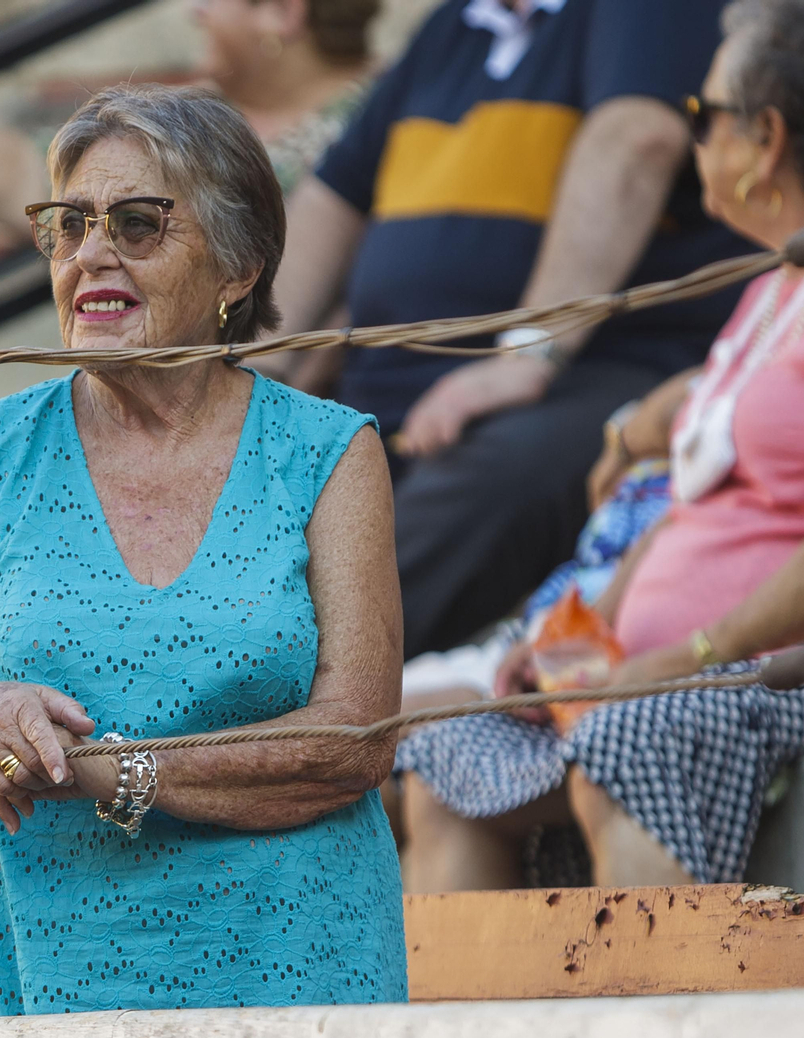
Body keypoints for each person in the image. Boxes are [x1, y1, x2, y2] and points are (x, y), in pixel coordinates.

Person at [0, 84, 406, 1017]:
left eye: (137, 224)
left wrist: (111, 769)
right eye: (68, 226)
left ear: (237, 270)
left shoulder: (327, 451)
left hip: (290, 982)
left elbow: (355, 741)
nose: (90, 254)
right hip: (28, 991)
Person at [396, 0, 804, 892]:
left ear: (766, 140)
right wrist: (580, 639)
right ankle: (487, 1001)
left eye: (703, 114)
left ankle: (656, 987)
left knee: (625, 737)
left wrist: (687, 657)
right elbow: (696, 511)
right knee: (444, 759)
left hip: (788, 676)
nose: (693, 135)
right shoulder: (772, 294)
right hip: (670, 677)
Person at [271, 0, 757, 660]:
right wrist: (257, 360)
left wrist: (529, 353)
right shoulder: (455, 24)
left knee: (479, 488)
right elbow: (334, 197)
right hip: (396, 394)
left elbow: (638, 139)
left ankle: (266, 688)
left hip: (592, 369)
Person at [0, 0, 379, 239]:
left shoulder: (388, 115)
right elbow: (30, 174)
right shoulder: (192, 114)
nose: (195, 12)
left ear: (282, 12)